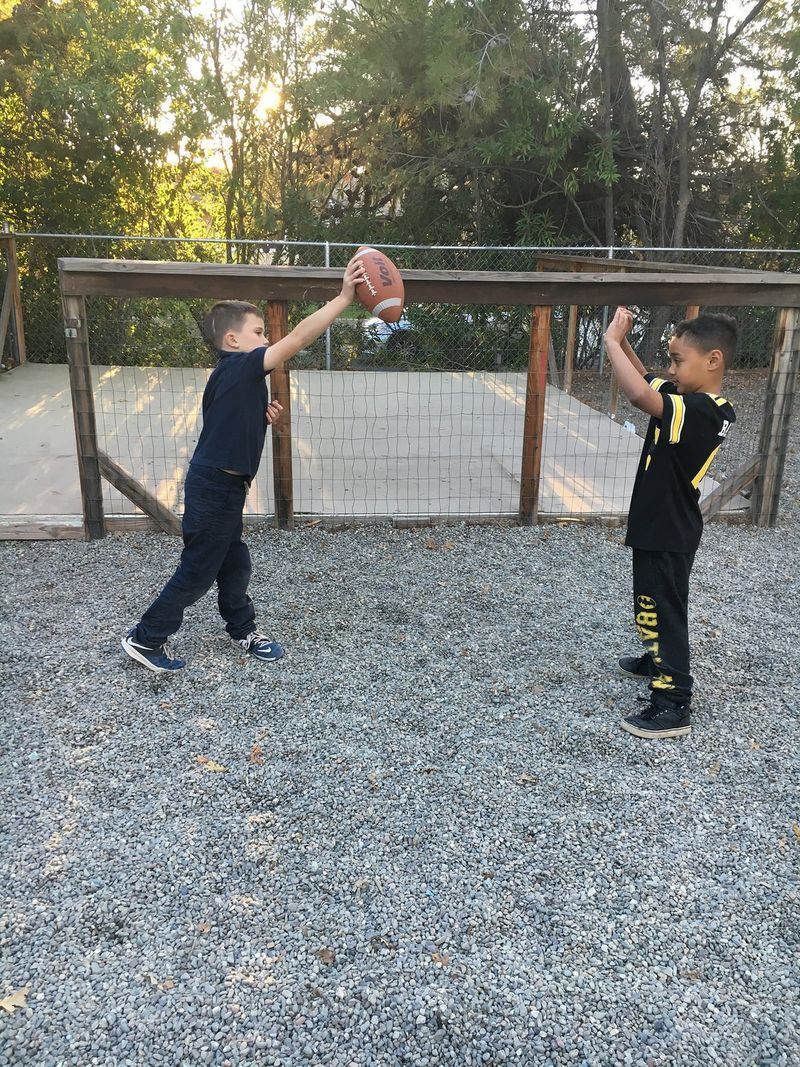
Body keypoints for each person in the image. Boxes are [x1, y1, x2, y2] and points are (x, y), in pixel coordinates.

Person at [122, 255, 367, 673]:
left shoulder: (234, 377)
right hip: (214, 489)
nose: (266, 338)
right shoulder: (238, 366)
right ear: (233, 341)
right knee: (199, 571)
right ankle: (146, 638)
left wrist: (260, 418)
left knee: (235, 564)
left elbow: (226, 424)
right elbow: (299, 340)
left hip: (224, 489)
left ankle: (242, 629)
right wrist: (344, 297)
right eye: (258, 332)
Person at [603, 308, 737, 738]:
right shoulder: (684, 399)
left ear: (713, 360)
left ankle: (673, 702)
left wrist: (609, 344)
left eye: (678, 360)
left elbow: (641, 396)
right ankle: (657, 657)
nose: (670, 369)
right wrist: (622, 341)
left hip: (669, 529)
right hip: (658, 525)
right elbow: (647, 381)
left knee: (660, 608)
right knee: (652, 600)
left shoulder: (707, 411)